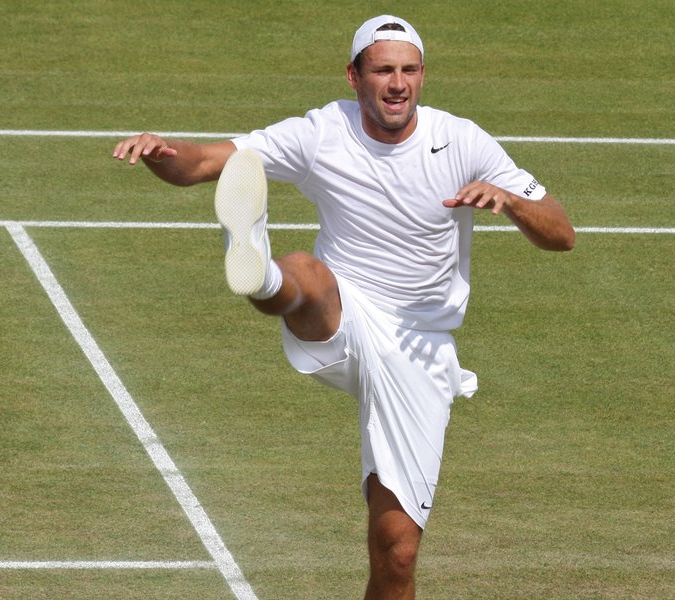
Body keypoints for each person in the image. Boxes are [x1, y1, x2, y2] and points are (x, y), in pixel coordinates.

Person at [112, 14, 574, 600]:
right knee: (306, 272)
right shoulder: (321, 132)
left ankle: (265, 272)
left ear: (423, 75)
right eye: (383, 70)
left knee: (396, 552)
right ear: (354, 77)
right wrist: (161, 151)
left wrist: (508, 201)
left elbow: (561, 232)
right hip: (346, 310)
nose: (398, 83)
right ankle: (259, 272)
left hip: (420, 347)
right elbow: (205, 162)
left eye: (408, 70)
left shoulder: (462, 140)